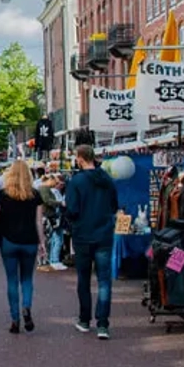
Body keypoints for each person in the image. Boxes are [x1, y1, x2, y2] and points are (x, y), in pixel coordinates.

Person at [65, 145, 119, 339]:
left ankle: (85, 320)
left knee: (84, 279)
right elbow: (114, 205)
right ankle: (103, 324)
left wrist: (72, 222)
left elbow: (72, 209)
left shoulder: (76, 181)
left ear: (80, 158)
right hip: (104, 234)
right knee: (104, 280)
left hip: (82, 235)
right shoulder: (107, 179)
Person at [0, 160, 45, 335]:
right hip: (29, 241)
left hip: (9, 241)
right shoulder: (35, 195)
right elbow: (38, 222)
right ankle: (26, 307)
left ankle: (15, 319)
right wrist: (42, 242)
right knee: (27, 279)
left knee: (12, 280)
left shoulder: (4, 195)